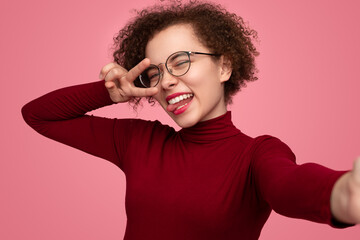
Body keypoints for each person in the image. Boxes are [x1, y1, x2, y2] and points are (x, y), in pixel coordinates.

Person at [21, 1, 360, 239]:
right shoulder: (140, 142)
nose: (166, 80)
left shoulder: (257, 155)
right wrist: (110, 92)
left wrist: (343, 194)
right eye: (155, 71)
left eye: (181, 61)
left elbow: (290, 185)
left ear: (224, 67)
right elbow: (39, 115)